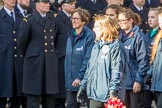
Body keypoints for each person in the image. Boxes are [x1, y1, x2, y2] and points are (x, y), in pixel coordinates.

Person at [77, 14, 126, 108]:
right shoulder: (96, 46)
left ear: (105, 27)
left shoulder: (116, 46)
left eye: (96, 27)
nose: (93, 30)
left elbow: (117, 70)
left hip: (108, 97)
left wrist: (113, 92)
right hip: (94, 95)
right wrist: (83, 86)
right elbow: (89, 69)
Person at [17, 0, 59, 107]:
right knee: (34, 96)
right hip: (35, 62)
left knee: (49, 97)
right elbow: (22, 42)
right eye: (44, 3)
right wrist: (30, 55)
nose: (48, 5)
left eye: (48, 3)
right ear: (37, 5)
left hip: (49, 61)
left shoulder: (51, 18)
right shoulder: (29, 20)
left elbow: (55, 39)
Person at [118, 8, 150, 108]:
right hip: (122, 84)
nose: (121, 23)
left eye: (123, 20)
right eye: (119, 21)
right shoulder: (119, 36)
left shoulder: (139, 37)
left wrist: (139, 80)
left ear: (130, 20)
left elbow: (143, 61)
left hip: (134, 83)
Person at [64, 7, 95, 108]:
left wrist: (79, 77)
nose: (73, 20)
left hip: (83, 83)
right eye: (72, 18)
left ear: (84, 20)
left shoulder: (89, 36)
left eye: (76, 18)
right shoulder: (70, 35)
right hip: (70, 83)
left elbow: (88, 60)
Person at [0, 0, 22, 107]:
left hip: (17, 62)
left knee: (16, 96)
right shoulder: (0, 16)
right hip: (3, 62)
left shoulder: (19, 16)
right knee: (2, 96)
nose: (13, 0)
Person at [55, 0, 76, 107]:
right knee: (61, 93)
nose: (73, 5)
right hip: (61, 58)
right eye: (70, 3)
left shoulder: (74, 18)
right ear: (63, 5)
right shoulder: (58, 19)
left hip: (72, 57)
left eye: (74, 3)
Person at [146, 12, 162, 108]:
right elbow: (155, 60)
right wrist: (149, 73)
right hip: (157, 84)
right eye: (160, 22)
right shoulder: (159, 38)